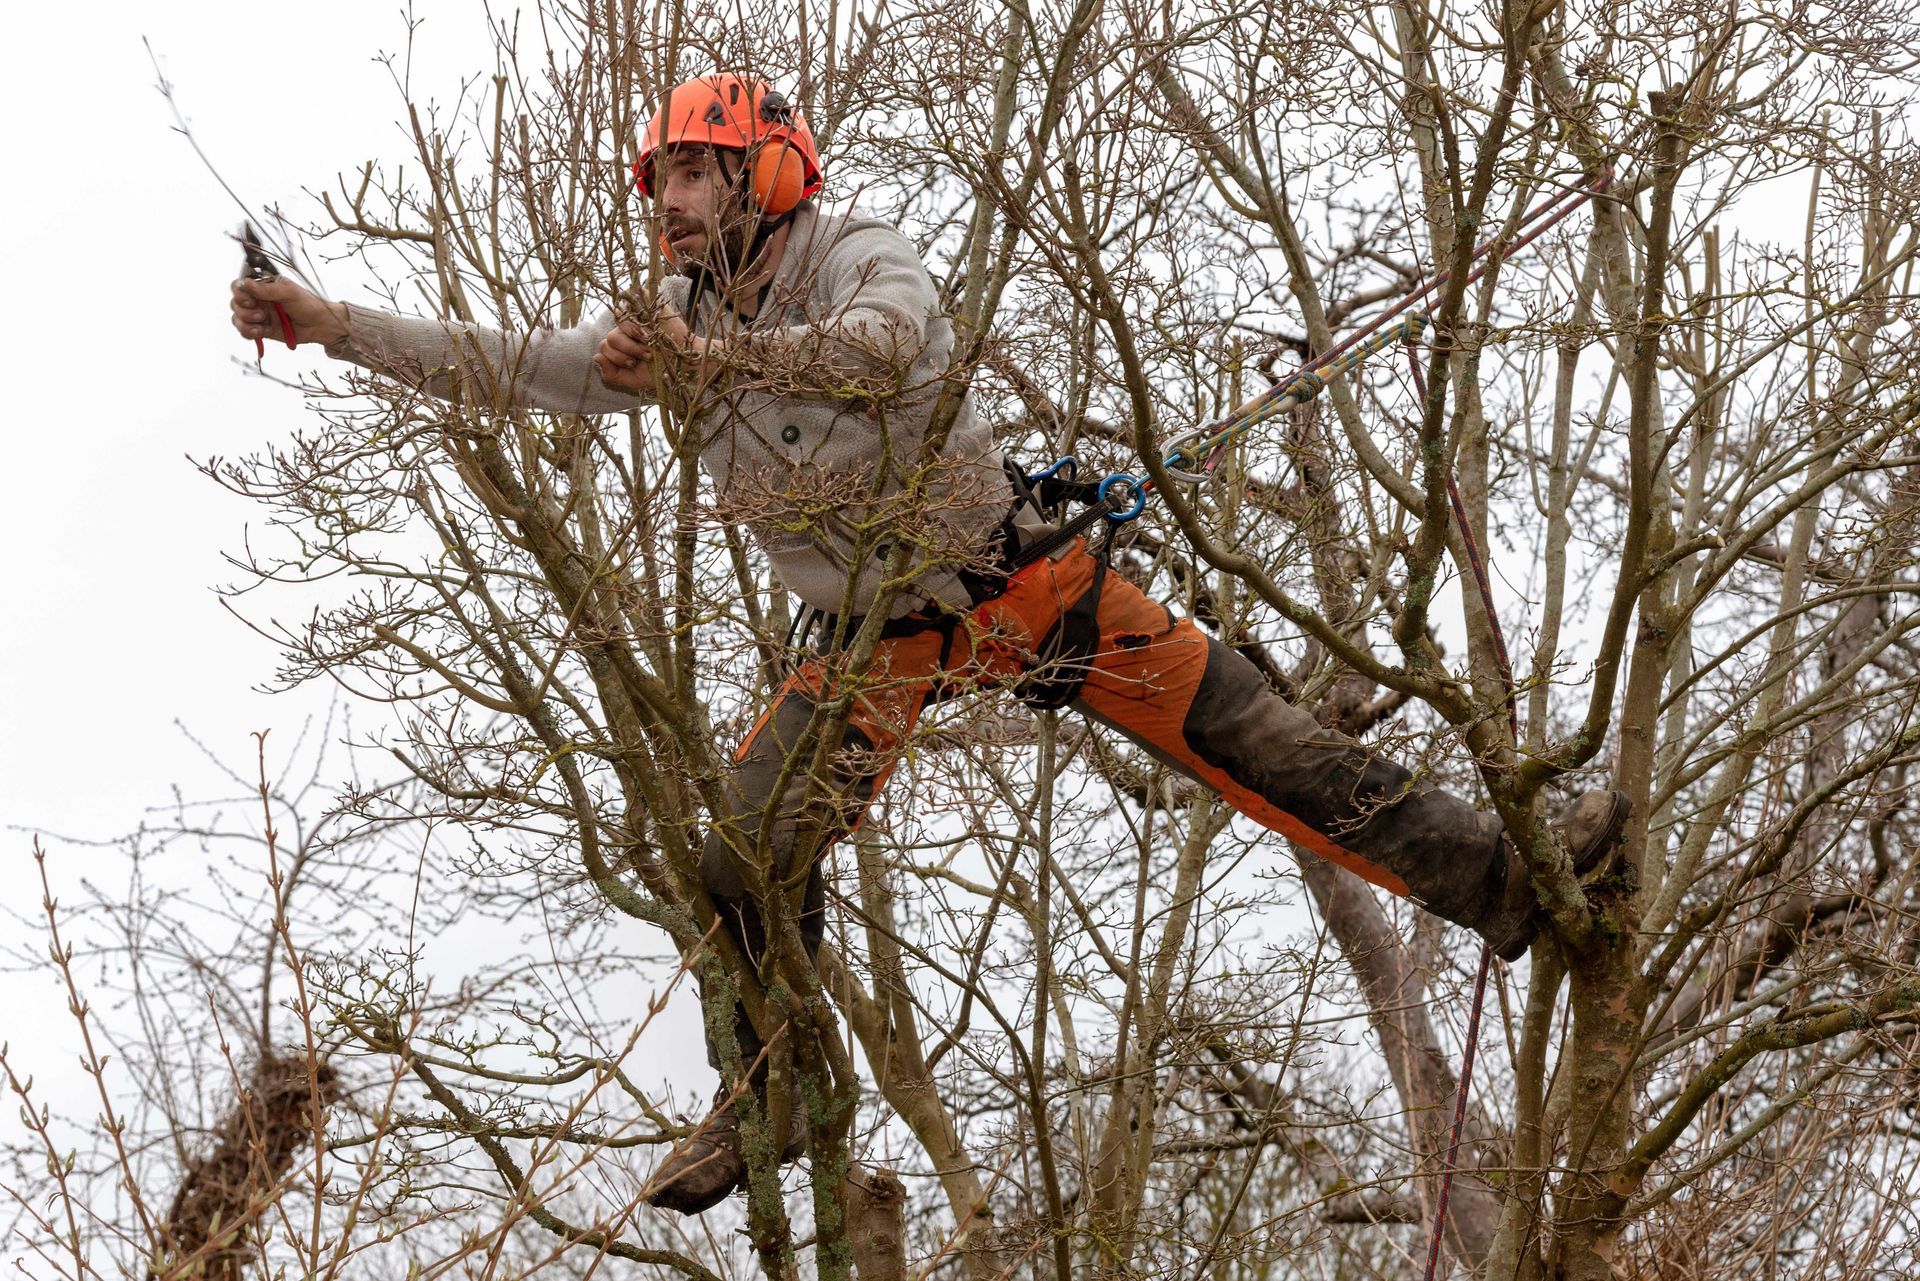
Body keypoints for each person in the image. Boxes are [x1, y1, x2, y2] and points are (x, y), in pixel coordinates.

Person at [231, 72, 1629, 1215]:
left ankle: (1517, 878)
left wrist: (718, 370)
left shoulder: (855, 250)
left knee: (1272, 750)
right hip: (868, 646)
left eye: (694, 173)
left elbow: (888, 347)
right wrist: (331, 322)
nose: (667, 200)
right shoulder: (671, 322)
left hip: (1019, 584)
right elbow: (512, 362)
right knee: (740, 851)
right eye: (659, 178)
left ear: (765, 172)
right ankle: (778, 1090)